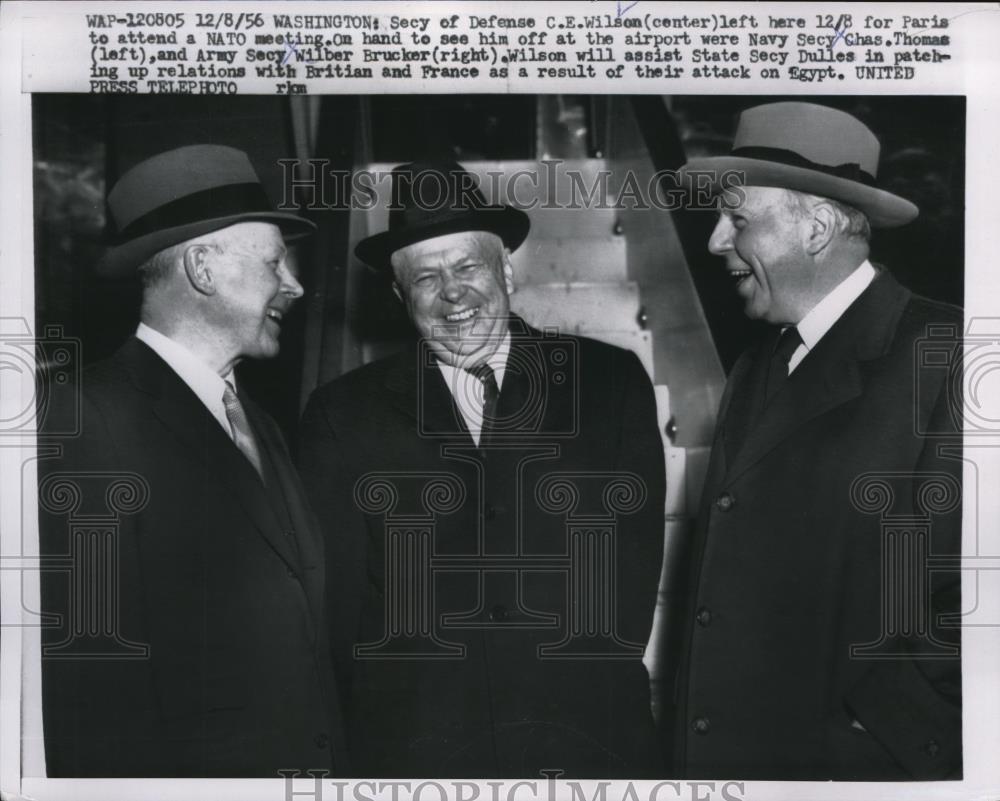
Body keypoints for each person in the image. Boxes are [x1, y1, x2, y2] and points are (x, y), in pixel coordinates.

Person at [298, 161, 666, 778]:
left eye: (468, 267)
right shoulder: (341, 414)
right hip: (418, 749)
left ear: (507, 271)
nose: (453, 293)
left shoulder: (609, 383)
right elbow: (338, 610)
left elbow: (633, 570)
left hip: (584, 739)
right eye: (426, 277)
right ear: (398, 296)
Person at [672, 102, 963, 780]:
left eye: (738, 219)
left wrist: (878, 727)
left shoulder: (948, 356)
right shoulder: (757, 363)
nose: (716, 241)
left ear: (818, 227)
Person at [37, 145, 347, 777]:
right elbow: (86, 688)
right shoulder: (81, 420)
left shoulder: (260, 424)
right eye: (274, 262)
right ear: (203, 268)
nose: (295, 283)